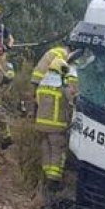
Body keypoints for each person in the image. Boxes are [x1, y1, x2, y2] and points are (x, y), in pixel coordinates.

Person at [35, 56, 72, 194]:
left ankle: (46, 176)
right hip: (56, 127)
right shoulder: (62, 89)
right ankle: (53, 181)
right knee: (57, 152)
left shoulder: (41, 86)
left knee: (46, 150)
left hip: (41, 126)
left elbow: (38, 102)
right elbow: (72, 101)